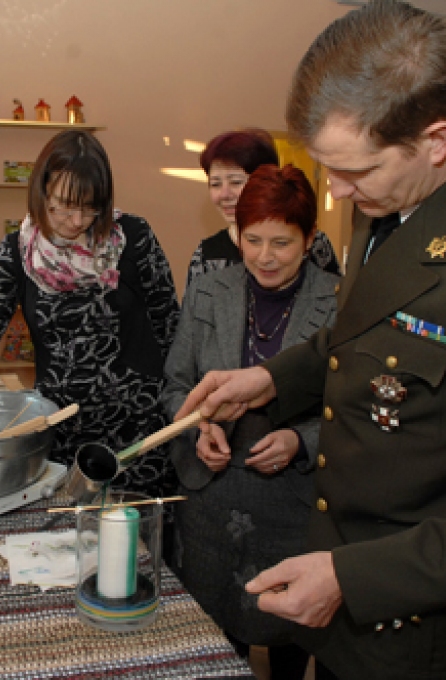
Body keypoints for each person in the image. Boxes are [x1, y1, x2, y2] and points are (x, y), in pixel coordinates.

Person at [177, 2, 446, 679]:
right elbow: (364, 338)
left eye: (356, 173)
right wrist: (273, 380)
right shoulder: (389, 197)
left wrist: (352, 577)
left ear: (436, 140)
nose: (343, 194)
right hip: (338, 586)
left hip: (414, 622)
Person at [0, 130, 181, 500]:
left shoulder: (134, 238)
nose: (77, 219)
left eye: (90, 207)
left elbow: (171, 328)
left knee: (141, 543)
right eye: (64, 205)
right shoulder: (17, 253)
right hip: (62, 435)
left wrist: (180, 407)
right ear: (41, 191)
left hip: (140, 439)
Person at [162, 164, 339, 679]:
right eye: (252, 238)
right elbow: (173, 385)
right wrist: (198, 427)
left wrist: (301, 441)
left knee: (291, 636)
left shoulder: (339, 303)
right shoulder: (208, 293)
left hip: (294, 507)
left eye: (282, 242)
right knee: (213, 645)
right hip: (210, 506)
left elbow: (354, 412)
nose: (265, 256)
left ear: (309, 239)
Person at [188, 129, 339, 288]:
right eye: (215, 184)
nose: (224, 194)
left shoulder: (315, 244)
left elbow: (337, 302)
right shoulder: (206, 254)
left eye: (236, 182)